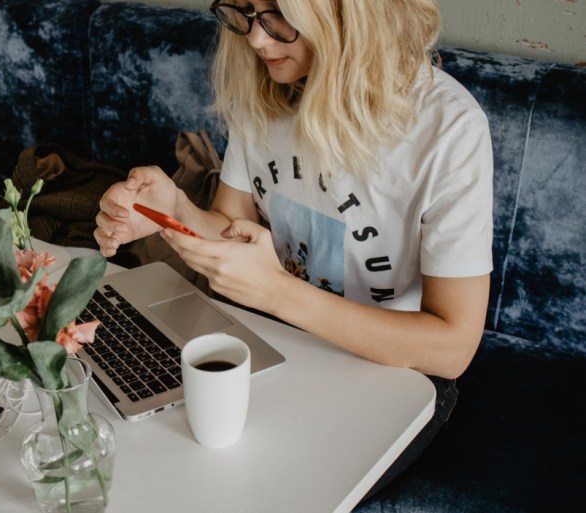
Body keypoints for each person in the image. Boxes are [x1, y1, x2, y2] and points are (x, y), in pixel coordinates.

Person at [94, 0, 493, 499]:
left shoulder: (448, 128)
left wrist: (277, 293)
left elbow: (452, 349)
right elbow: (233, 229)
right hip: (276, 341)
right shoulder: (266, 90)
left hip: (391, 375)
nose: (256, 40)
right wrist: (172, 213)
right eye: (243, 12)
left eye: (278, 15)